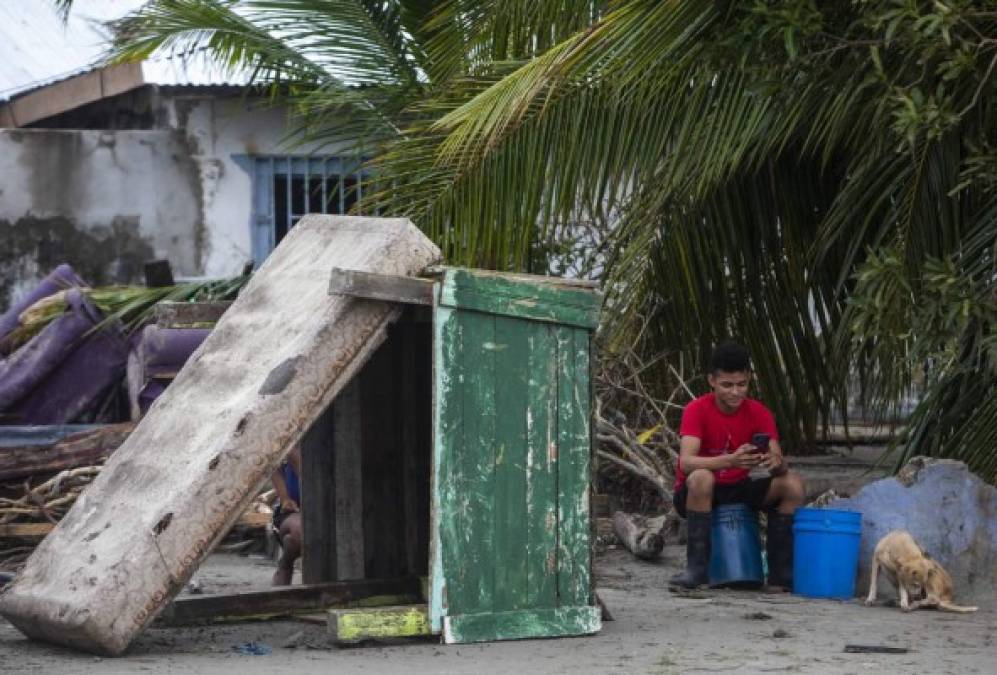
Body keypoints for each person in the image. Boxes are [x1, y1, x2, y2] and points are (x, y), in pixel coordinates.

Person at [669, 342, 805, 590]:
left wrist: (776, 463)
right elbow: (686, 462)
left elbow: (778, 463)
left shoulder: (760, 412)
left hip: (740, 486)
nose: (735, 392)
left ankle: (781, 574)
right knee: (702, 477)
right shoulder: (696, 409)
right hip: (696, 493)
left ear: (749, 380)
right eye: (727, 385)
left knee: (792, 483)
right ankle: (696, 570)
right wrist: (730, 460)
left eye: (741, 385)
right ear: (712, 381)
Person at [270, 445, 303, 586]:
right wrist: (284, 497)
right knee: (300, 530)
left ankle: (289, 553)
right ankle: (286, 563)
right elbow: (272, 465)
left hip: (329, 509)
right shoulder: (290, 442)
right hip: (292, 512)